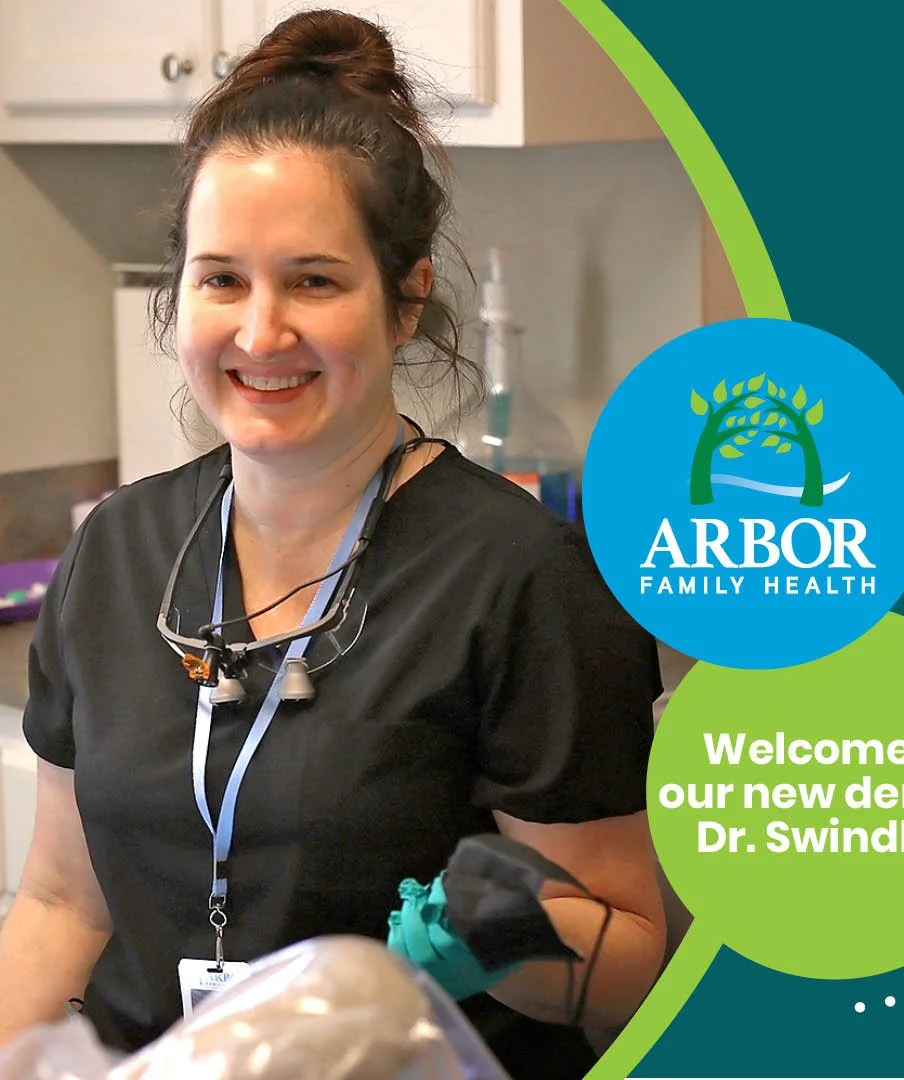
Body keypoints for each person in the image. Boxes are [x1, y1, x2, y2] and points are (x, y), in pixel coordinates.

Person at [0, 10, 666, 1079]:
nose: (261, 332)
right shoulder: (117, 551)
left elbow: (638, 964)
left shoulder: (519, 579)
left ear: (406, 301)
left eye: (313, 280)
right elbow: (59, 904)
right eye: (222, 279)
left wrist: (506, 937)